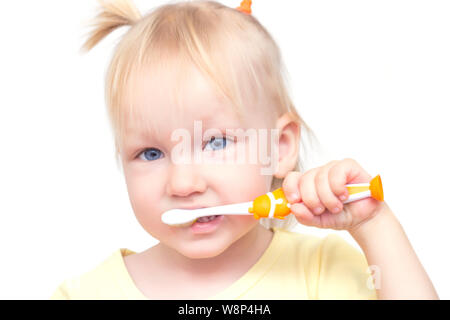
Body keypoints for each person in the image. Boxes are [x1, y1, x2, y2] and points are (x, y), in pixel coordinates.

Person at [50, 0, 438, 299]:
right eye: (151, 153)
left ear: (279, 147)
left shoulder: (322, 271)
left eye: (215, 142)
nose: (183, 184)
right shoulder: (86, 292)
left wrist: (374, 227)